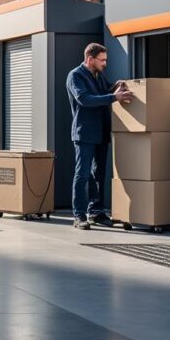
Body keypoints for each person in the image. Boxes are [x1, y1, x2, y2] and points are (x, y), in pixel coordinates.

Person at [66, 43, 134, 230]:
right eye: (102, 60)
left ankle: (96, 213)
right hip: (85, 133)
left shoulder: (98, 75)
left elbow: (106, 91)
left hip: (101, 132)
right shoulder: (76, 76)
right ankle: (79, 216)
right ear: (90, 59)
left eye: (105, 60)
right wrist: (114, 97)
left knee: (99, 175)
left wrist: (116, 86)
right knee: (82, 174)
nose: (105, 63)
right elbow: (85, 99)